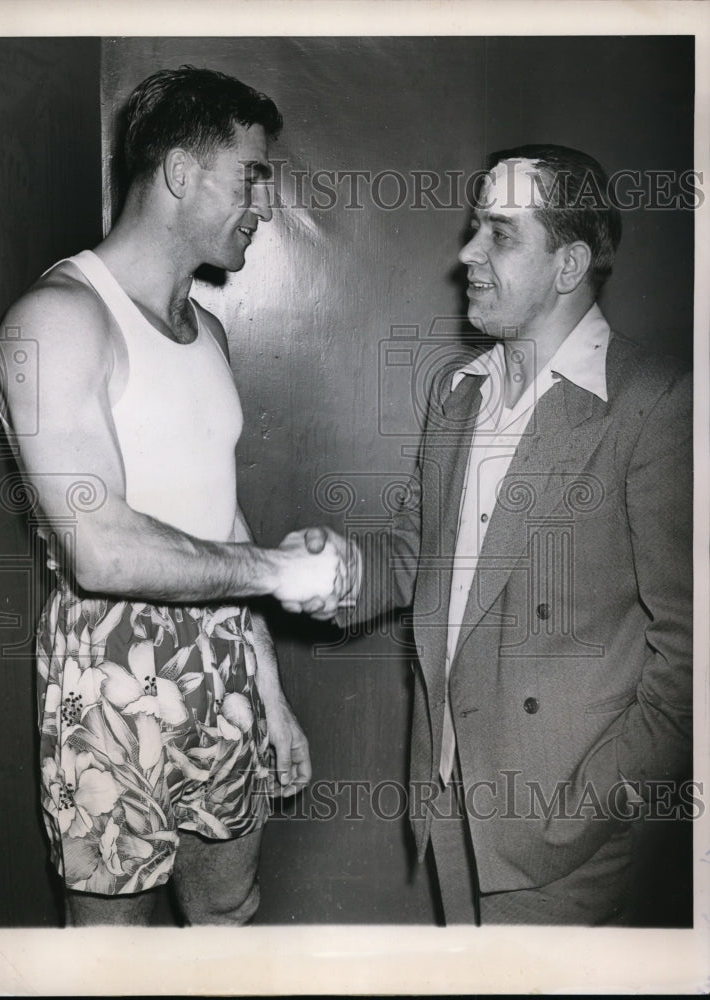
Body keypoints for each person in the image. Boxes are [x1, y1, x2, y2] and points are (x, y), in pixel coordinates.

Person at [288, 144, 693, 925]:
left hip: (568, 844)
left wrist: (582, 811)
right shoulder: (457, 391)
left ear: (568, 263)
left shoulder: (654, 403)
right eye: (475, 227)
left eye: (499, 234)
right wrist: (336, 572)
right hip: (447, 803)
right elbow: (416, 554)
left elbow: (690, 660)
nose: (465, 254)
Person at [0, 65, 348, 927]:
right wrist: (277, 570)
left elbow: (219, 516)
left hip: (223, 659)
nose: (262, 204)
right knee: (111, 952)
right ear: (180, 173)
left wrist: (268, 693)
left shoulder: (209, 331)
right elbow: (101, 548)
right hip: (110, 671)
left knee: (227, 911)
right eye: (249, 176)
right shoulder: (56, 320)